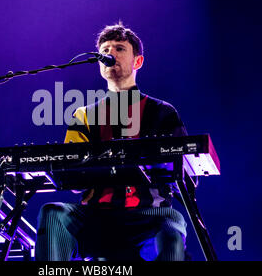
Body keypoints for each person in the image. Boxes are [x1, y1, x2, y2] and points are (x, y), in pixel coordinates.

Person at [35, 22, 188, 261]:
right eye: (105, 49)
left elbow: (186, 174)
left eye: (119, 48)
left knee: (172, 222)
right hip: (97, 216)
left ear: (138, 61)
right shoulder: (83, 115)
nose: (110, 53)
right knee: (53, 213)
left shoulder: (162, 112)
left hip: (148, 216)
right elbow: (72, 178)